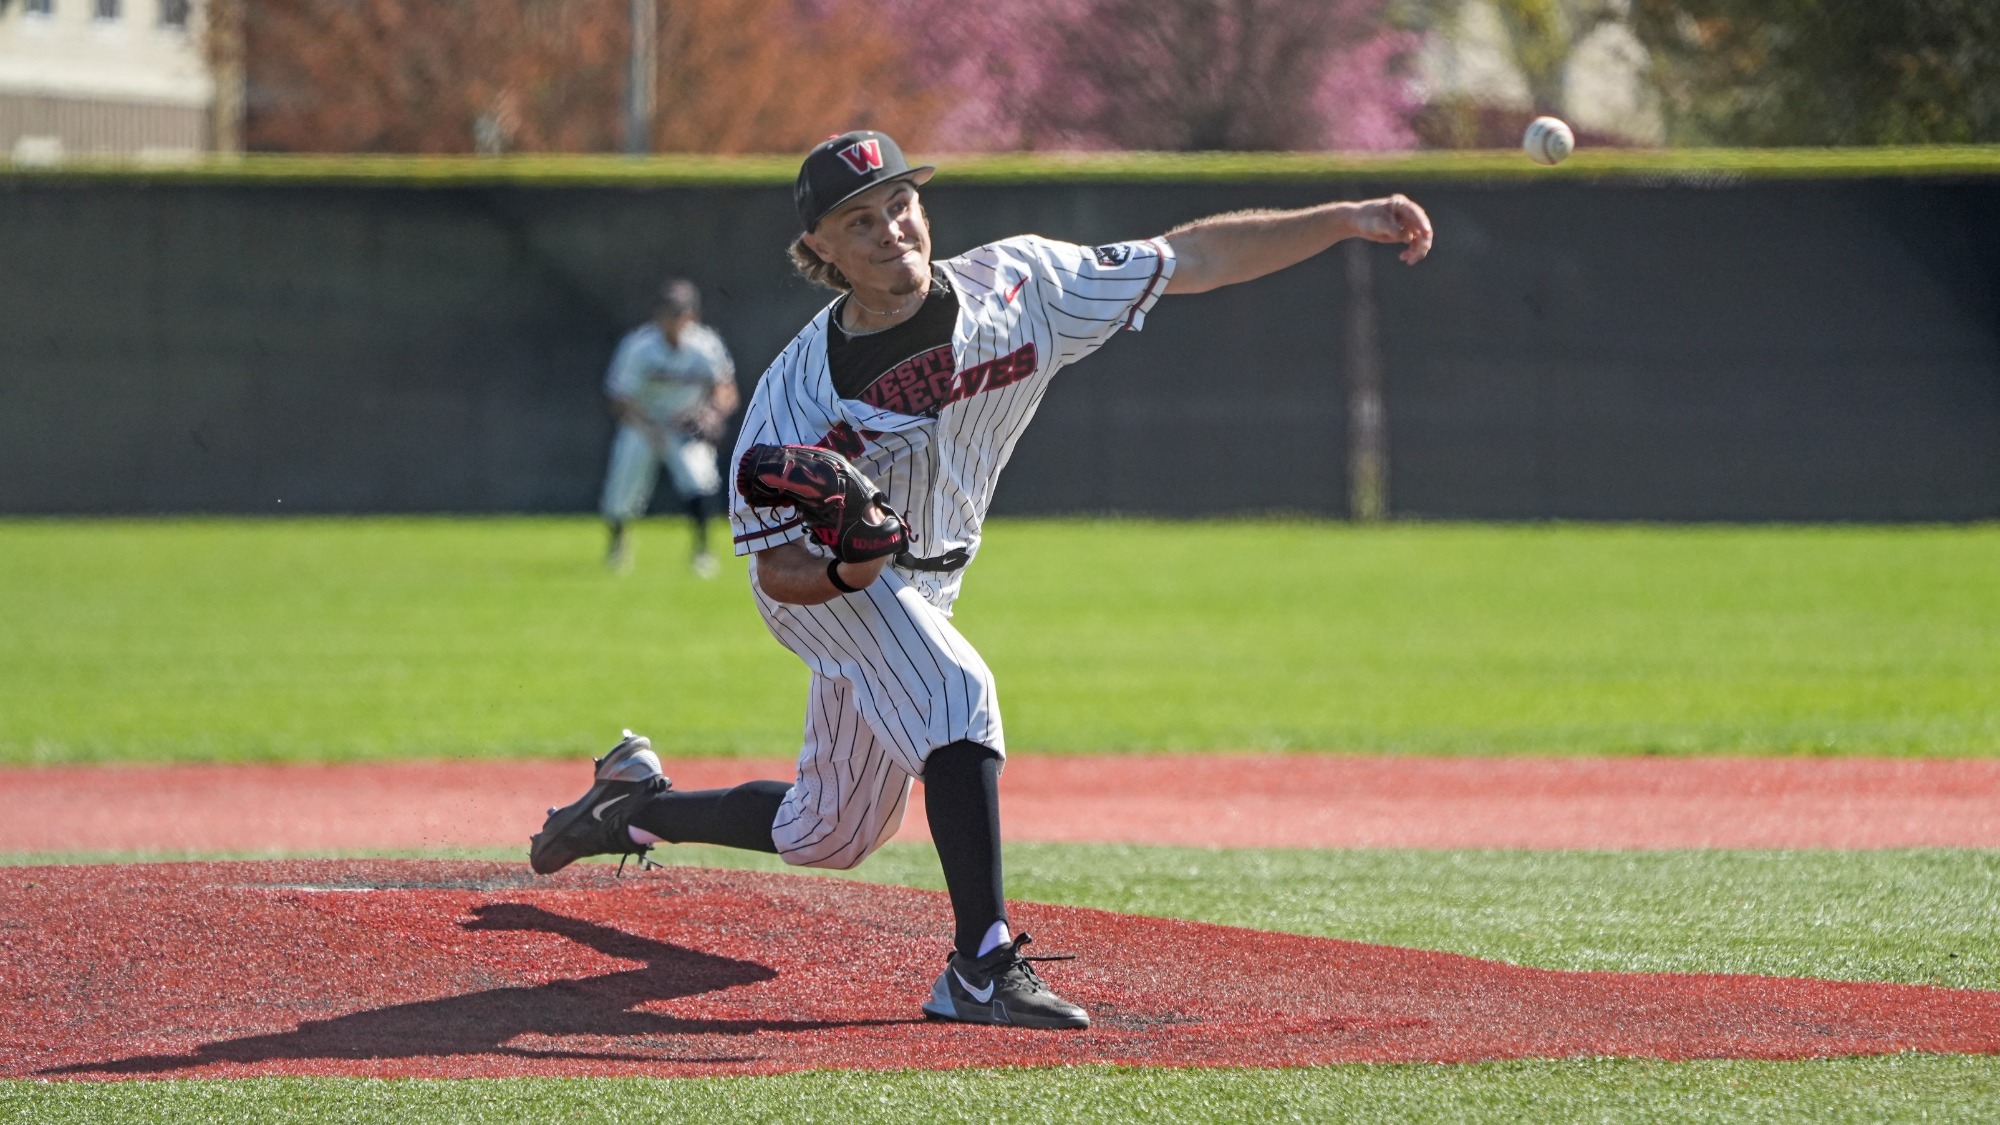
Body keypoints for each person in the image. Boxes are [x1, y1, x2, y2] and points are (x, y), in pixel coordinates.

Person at [531, 131, 1433, 1028]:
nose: (892, 229)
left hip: (931, 581)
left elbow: (1190, 256)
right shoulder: (793, 397)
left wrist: (1347, 218)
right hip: (825, 591)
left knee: (831, 833)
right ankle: (980, 966)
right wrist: (851, 563)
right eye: (861, 220)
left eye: (901, 204)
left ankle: (635, 803)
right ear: (822, 253)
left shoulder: (1025, 286)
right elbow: (777, 565)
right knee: (958, 691)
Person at [598, 278, 739, 576]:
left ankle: (702, 551)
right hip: (643, 422)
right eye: (668, 312)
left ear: (691, 315)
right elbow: (620, 398)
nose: (673, 320)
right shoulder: (639, 346)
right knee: (623, 485)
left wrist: (712, 413)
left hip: (686, 423)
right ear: (657, 315)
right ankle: (618, 545)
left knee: (699, 481)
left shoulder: (705, 345)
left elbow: (725, 388)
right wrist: (649, 427)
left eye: (679, 312)